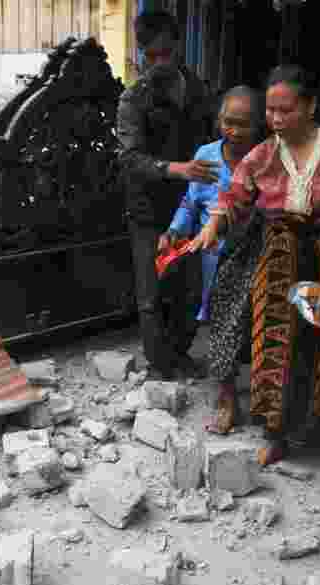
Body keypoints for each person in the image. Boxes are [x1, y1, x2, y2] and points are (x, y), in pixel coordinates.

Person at [188, 65, 320, 465]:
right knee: (275, 347)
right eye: (270, 111)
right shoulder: (265, 153)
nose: (275, 119)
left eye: (285, 110)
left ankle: (313, 433)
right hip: (276, 258)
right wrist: (214, 224)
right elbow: (235, 194)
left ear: (310, 107)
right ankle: (275, 433)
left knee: (317, 349)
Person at [117, 10, 216, 381]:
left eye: (165, 53)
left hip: (191, 206)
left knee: (190, 288)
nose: (158, 62)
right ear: (141, 53)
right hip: (147, 210)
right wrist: (179, 168)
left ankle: (180, 354)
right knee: (152, 295)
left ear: (177, 47)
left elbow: (213, 139)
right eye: (150, 55)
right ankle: (160, 366)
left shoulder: (198, 89)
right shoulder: (133, 99)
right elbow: (130, 158)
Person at [160, 85, 265, 325]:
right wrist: (174, 231)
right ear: (219, 120)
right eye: (229, 122)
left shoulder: (264, 160)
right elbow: (191, 202)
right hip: (209, 253)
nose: (236, 131)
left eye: (244, 124)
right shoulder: (206, 155)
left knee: (245, 317)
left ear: (258, 124)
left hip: (250, 256)